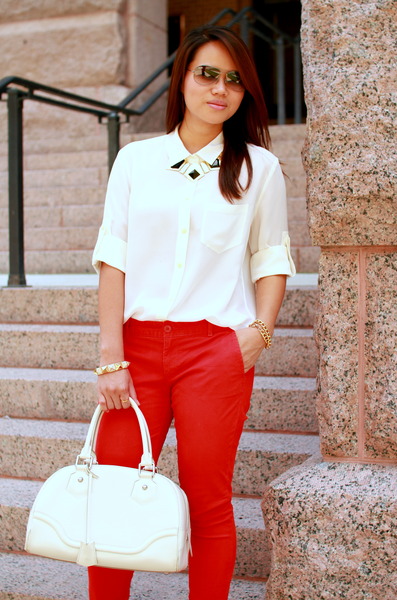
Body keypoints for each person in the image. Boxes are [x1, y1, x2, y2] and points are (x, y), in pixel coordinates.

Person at [90, 24, 295, 600]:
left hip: (216, 354)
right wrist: (112, 359)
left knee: (208, 501)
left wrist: (258, 335)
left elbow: (271, 258)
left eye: (233, 79)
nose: (219, 88)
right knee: (115, 495)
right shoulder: (135, 160)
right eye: (207, 73)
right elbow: (114, 260)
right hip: (135, 353)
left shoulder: (260, 169)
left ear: (244, 93)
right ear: (182, 78)